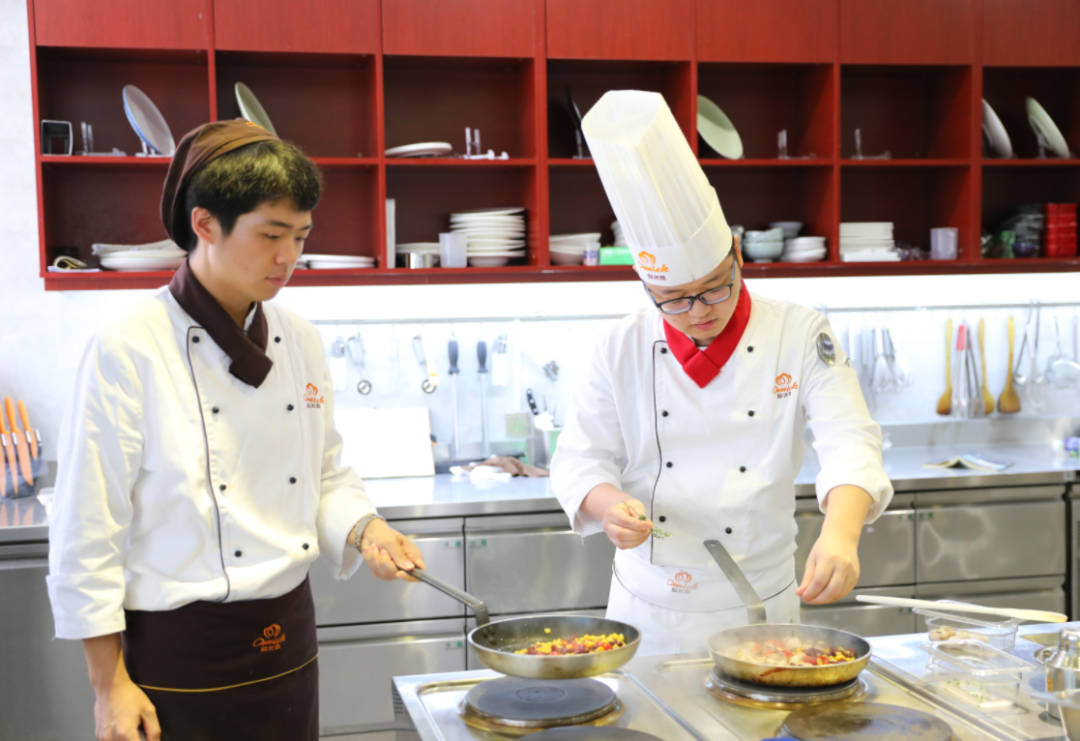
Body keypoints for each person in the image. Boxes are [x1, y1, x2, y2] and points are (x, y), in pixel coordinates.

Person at [47, 120, 423, 741]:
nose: (288, 257)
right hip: (177, 652)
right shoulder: (129, 346)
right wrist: (108, 683)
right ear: (204, 224)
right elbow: (88, 524)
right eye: (271, 235)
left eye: (300, 236)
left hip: (288, 639)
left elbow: (324, 473)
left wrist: (366, 528)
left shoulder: (299, 339)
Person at [550, 91, 893, 656]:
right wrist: (609, 507)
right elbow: (579, 462)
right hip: (647, 609)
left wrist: (841, 533)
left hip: (760, 602)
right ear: (647, 287)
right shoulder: (617, 345)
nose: (699, 311)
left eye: (714, 287)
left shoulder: (800, 333)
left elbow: (850, 441)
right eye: (673, 299)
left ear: (737, 253)